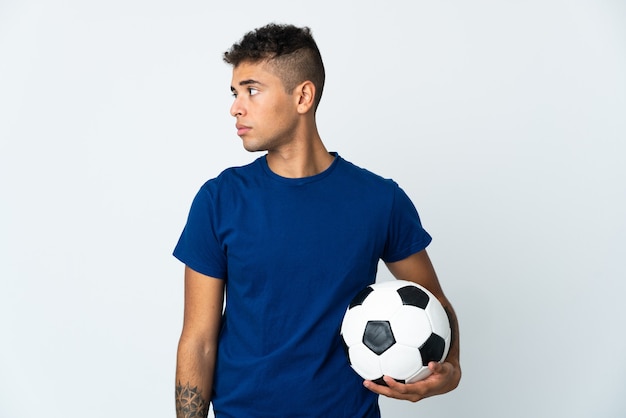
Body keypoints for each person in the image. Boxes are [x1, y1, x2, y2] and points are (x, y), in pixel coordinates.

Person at [173, 23, 461, 418]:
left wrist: (452, 369)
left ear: (303, 96)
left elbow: (434, 302)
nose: (236, 107)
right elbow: (198, 339)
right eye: (235, 93)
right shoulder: (219, 200)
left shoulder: (380, 200)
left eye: (252, 90)